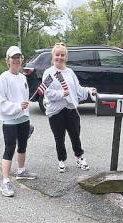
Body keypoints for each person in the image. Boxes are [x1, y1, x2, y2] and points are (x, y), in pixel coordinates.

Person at [42, 42, 97, 173]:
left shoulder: (70, 72)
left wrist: (89, 91)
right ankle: (61, 160)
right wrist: (62, 93)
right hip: (56, 111)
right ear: (53, 56)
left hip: (71, 109)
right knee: (59, 137)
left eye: (62, 55)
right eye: (57, 55)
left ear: (66, 57)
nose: (59, 57)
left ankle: (80, 157)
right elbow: (47, 93)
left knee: (75, 135)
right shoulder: (49, 73)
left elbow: (78, 90)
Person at [0, 46, 37, 197]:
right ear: (7, 61)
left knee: (23, 146)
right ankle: (5, 181)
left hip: (24, 118)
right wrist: (18, 106)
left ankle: (21, 171)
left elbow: (24, 97)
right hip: (10, 120)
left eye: (18, 57)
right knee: (9, 148)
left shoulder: (22, 77)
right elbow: (1, 102)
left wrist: (24, 109)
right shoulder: (3, 78)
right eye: (13, 57)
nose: (16, 60)